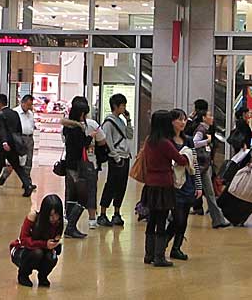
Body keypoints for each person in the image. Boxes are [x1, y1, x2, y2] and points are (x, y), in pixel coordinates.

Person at [141, 110, 189, 267]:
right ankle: (159, 256)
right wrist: (188, 155)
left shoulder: (149, 141)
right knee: (161, 221)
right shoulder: (165, 143)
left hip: (150, 184)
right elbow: (180, 160)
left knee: (151, 220)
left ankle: (149, 254)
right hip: (163, 184)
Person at [165, 108, 203, 262]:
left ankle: (176, 247)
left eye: (184, 119)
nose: (182, 122)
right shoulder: (167, 140)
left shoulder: (188, 140)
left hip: (187, 182)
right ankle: (162, 245)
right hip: (172, 184)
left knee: (184, 218)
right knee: (177, 218)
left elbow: (194, 164)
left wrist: (198, 186)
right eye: (179, 119)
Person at [0, 95, 32, 197]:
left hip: (2, 145)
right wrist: (18, 142)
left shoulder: (1, 114)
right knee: (17, 166)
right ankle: (27, 185)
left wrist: (4, 142)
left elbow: (2, 129)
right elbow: (19, 129)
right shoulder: (15, 113)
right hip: (13, 144)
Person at [9, 194, 64, 288]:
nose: (54, 218)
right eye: (51, 215)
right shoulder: (33, 217)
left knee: (52, 257)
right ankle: (23, 275)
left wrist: (54, 245)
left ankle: (43, 276)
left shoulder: (58, 223)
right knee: (37, 252)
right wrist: (45, 244)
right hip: (22, 250)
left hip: (43, 250)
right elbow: (24, 240)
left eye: (57, 215)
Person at [97, 93, 134, 227]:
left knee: (121, 186)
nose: (124, 108)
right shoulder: (108, 122)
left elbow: (130, 135)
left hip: (125, 156)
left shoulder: (121, 120)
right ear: (115, 106)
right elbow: (108, 141)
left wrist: (129, 120)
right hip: (116, 158)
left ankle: (117, 213)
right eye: (123, 105)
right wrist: (116, 156)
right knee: (111, 185)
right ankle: (102, 213)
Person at [191, 109, 230, 228]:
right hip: (200, 166)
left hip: (204, 166)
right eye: (209, 115)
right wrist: (206, 141)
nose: (212, 117)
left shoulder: (206, 130)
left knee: (210, 193)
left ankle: (218, 219)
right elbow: (194, 143)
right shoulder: (201, 130)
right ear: (203, 118)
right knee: (203, 193)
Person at [61, 97, 93, 239]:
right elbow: (82, 145)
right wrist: (90, 137)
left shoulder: (67, 128)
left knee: (72, 195)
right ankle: (71, 226)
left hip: (69, 164)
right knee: (83, 197)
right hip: (77, 166)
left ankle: (68, 223)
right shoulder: (78, 129)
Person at [187, 98, 208, 216]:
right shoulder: (207, 123)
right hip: (206, 157)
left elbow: (188, 132)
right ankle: (201, 206)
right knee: (204, 184)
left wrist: (190, 119)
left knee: (197, 182)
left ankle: (197, 206)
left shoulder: (198, 124)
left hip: (198, 157)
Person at [13, 94, 37, 196]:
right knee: (17, 161)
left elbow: (31, 125)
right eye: (28, 105)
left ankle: (27, 181)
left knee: (29, 160)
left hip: (29, 138)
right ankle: (5, 175)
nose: (29, 107)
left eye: (31, 105)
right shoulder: (15, 112)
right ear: (22, 103)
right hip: (19, 138)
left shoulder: (30, 114)